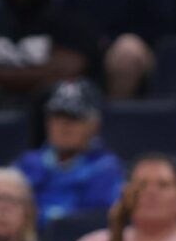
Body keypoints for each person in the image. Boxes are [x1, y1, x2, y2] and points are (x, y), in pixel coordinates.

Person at [13, 80, 125, 228]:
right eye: (58, 116)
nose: (64, 125)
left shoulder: (106, 169)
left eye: (74, 117)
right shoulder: (27, 163)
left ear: (94, 125)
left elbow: (95, 223)